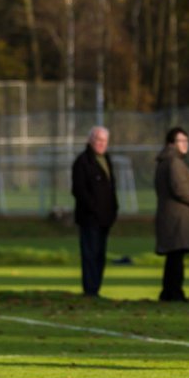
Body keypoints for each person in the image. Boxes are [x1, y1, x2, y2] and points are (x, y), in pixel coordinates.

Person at [155, 127, 189, 302]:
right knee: (176, 258)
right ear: (171, 143)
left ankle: (169, 291)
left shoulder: (165, 161)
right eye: (181, 141)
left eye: (186, 140)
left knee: (174, 257)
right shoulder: (174, 162)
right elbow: (179, 189)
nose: (185, 144)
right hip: (177, 217)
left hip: (171, 216)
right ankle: (174, 292)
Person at [71, 126, 118, 297]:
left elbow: (111, 189)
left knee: (100, 255)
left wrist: (113, 210)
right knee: (90, 254)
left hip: (105, 219)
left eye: (104, 141)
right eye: (98, 140)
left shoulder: (106, 160)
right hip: (89, 218)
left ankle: (96, 288)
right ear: (91, 141)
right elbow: (79, 191)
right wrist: (94, 209)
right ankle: (90, 290)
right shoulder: (82, 162)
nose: (101, 144)